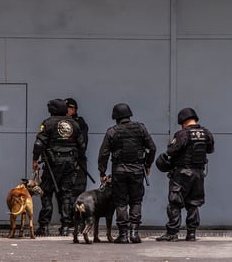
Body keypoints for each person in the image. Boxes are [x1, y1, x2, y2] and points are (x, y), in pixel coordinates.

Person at [98, 103, 156, 244]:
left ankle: (123, 235)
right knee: (136, 200)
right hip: (137, 171)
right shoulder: (140, 128)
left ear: (115, 117)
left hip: (119, 172)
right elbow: (152, 148)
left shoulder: (112, 131)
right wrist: (147, 165)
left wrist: (102, 172)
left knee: (121, 202)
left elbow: (104, 153)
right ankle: (134, 233)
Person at [156, 107, 214, 242]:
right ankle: (191, 233)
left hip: (182, 174)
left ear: (183, 121)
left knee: (175, 203)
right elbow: (210, 150)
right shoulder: (206, 133)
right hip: (199, 174)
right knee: (193, 203)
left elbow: (171, 151)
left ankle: (172, 233)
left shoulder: (182, 134)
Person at [33, 99, 86, 236]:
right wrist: (75, 159)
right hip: (69, 163)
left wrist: (35, 159)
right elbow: (82, 145)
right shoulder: (74, 123)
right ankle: (65, 227)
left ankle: (44, 226)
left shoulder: (48, 123)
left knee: (46, 192)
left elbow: (39, 144)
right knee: (66, 194)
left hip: (53, 163)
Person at [64, 98, 89, 217]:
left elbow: (82, 144)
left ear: (73, 109)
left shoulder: (79, 123)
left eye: (67, 108)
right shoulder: (60, 122)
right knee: (65, 193)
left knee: (78, 192)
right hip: (64, 162)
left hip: (77, 162)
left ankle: (77, 220)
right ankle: (67, 220)